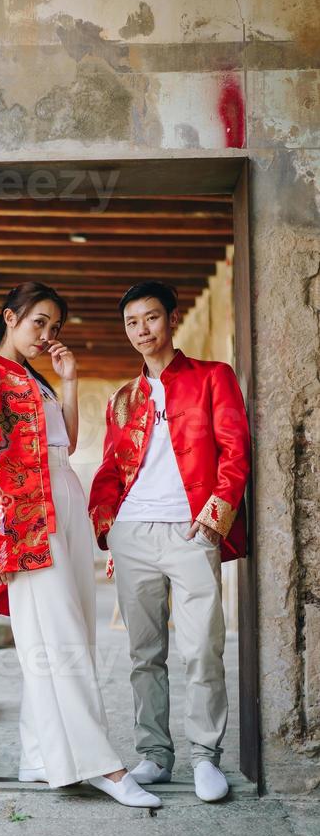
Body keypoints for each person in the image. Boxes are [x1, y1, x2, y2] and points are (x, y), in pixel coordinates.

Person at [0, 282, 161, 808]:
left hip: (64, 498)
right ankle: (105, 768)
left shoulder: (35, 381)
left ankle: (40, 757)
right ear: (9, 319)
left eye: (54, 327)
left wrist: (68, 382)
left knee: (69, 635)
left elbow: (65, 436)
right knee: (59, 638)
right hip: (24, 519)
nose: (47, 334)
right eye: (38, 322)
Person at [88, 280, 251, 802]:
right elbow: (111, 467)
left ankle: (206, 758)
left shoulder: (212, 378)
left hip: (190, 529)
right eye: (132, 322)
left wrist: (214, 516)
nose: (142, 330)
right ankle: (155, 756)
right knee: (144, 652)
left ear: (172, 319)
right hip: (134, 532)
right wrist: (108, 527)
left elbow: (235, 449)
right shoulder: (123, 397)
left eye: (151, 318)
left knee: (202, 647)